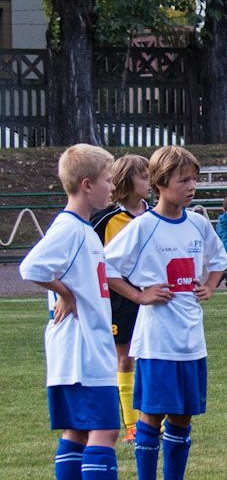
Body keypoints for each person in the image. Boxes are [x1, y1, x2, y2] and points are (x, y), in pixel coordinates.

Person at [19, 144, 148, 480]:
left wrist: (66, 290)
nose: (112, 186)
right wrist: (65, 293)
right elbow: (31, 266)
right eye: (108, 180)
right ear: (87, 184)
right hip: (82, 350)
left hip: (74, 351)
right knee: (105, 431)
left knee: (76, 432)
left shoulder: (81, 229)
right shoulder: (70, 229)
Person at [105, 145, 227, 480]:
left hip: (191, 338)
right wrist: (139, 295)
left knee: (183, 416)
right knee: (152, 415)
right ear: (160, 183)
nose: (191, 186)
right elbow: (107, 266)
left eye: (194, 179)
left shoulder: (199, 224)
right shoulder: (144, 226)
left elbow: (219, 260)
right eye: (183, 180)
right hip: (157, 339)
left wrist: (210, 285)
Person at [91, 154, 150, 444]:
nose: (150, 182)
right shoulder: (105, 219)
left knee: (152, 356)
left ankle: (154, 421)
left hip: (154, 295)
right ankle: (132, 425)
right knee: (125, 358)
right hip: (119, 300)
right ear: (127, 181)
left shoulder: (155, 215)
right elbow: (91, 261)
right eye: (144, 177)